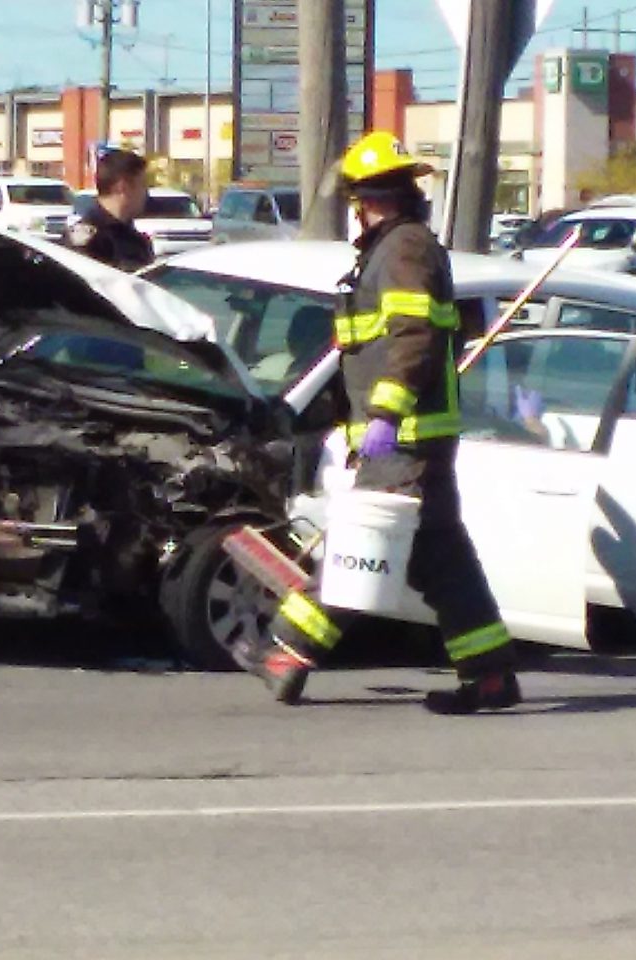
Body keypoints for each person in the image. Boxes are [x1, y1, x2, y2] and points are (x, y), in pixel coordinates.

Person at [243, 131, 523, 715]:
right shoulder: (396, 250)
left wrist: (387, 414)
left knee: (360, 550)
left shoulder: (403, 251)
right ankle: (490, 674)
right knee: (443, 560)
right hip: (412, 442)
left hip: (407, 441)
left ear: (365, 201)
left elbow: (413, 336)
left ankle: (286, 653)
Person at [65, 148, 154, 271]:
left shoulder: (137, 240)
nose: (147, 193)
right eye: (143, 185)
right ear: (122, 187)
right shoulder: (89, 240)